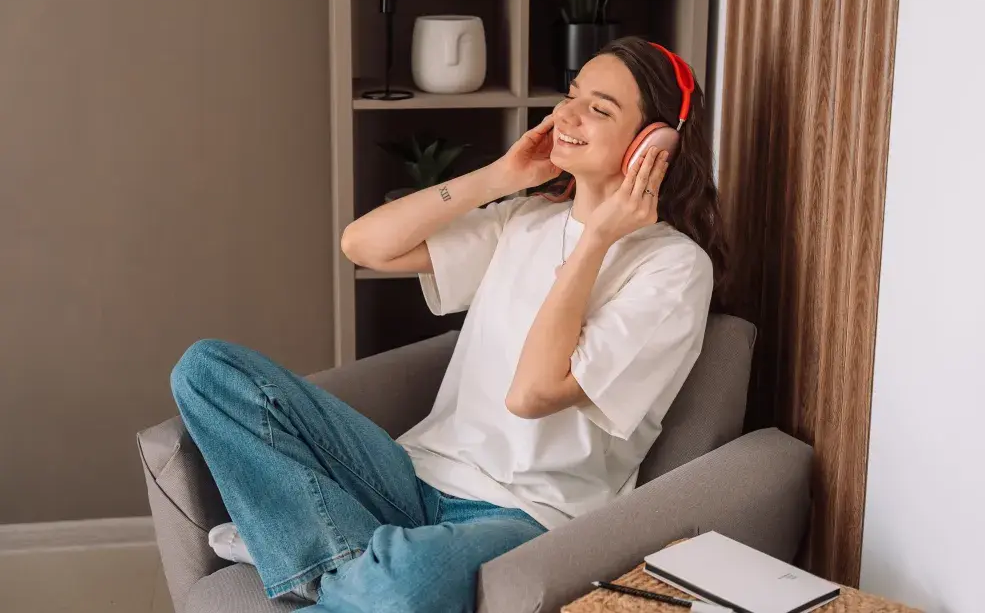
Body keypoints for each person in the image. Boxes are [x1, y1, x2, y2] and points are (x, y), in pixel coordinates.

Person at [170, 35, 728, 613]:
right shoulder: (524, 220)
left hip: (524, 514)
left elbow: (532, 394)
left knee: (406, 583)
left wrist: (597, 238)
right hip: (410, 475)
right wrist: (499, 178)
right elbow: (364, 246)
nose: (566, 115)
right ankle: (340, 561)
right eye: (571, 95)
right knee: (206, 369)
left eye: (599, 108)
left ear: (653, 145)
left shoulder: (675, 268)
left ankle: (308, 555)